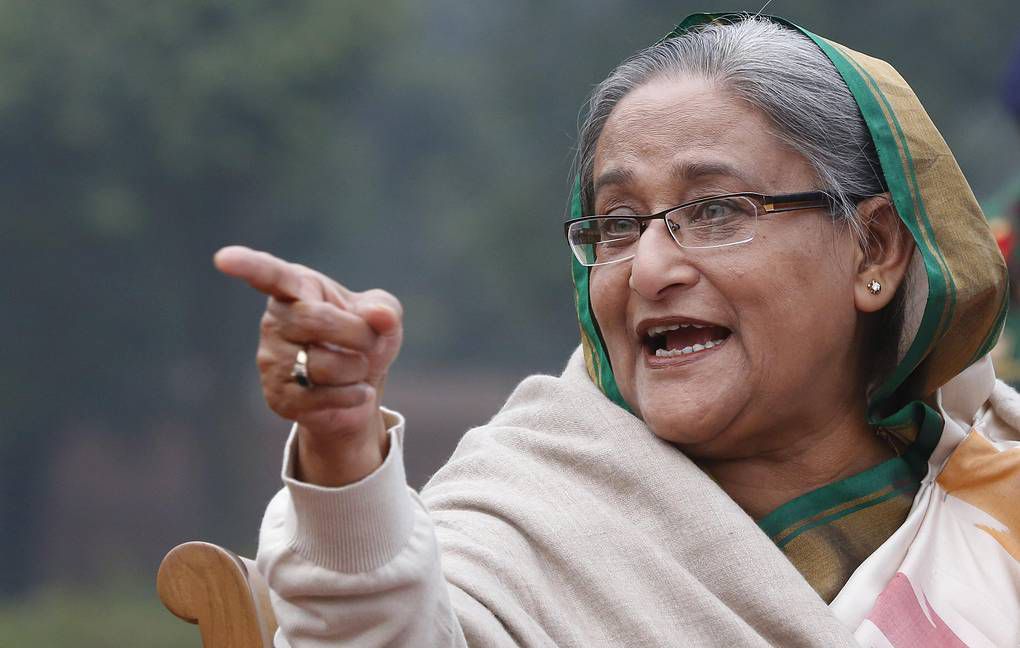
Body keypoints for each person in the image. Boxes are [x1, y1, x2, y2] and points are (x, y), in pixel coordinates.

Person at [215, 13, 1020, 648]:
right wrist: (342, 451)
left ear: (873, 248)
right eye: (618, 223)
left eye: (715, 210)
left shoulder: (993, 488)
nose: (648, 269)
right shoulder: (530, 514)